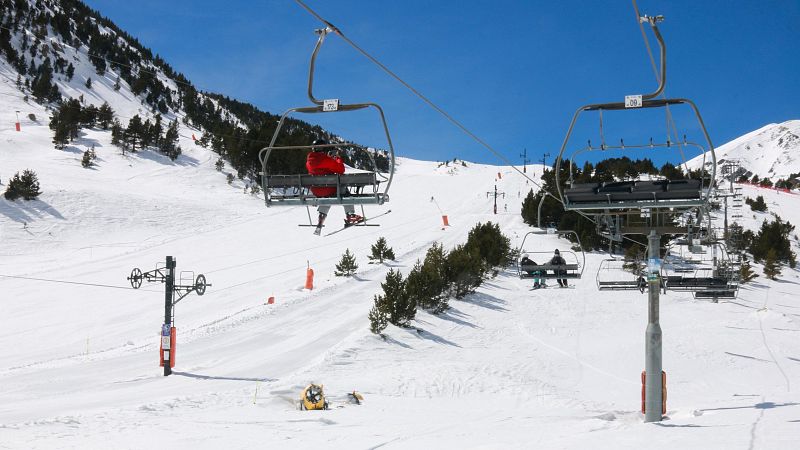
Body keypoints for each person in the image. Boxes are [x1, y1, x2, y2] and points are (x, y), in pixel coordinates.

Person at [306, 139, 364, 235]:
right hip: (329, 188)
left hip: (316, 190)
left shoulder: (309, 162)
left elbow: (320, 167)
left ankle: (321, 216)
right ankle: (350, 215)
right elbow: (341, 169)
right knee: (342, 188)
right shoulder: (325, 160)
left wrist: (328, 158)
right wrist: (337, 158)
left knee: (327, 196)